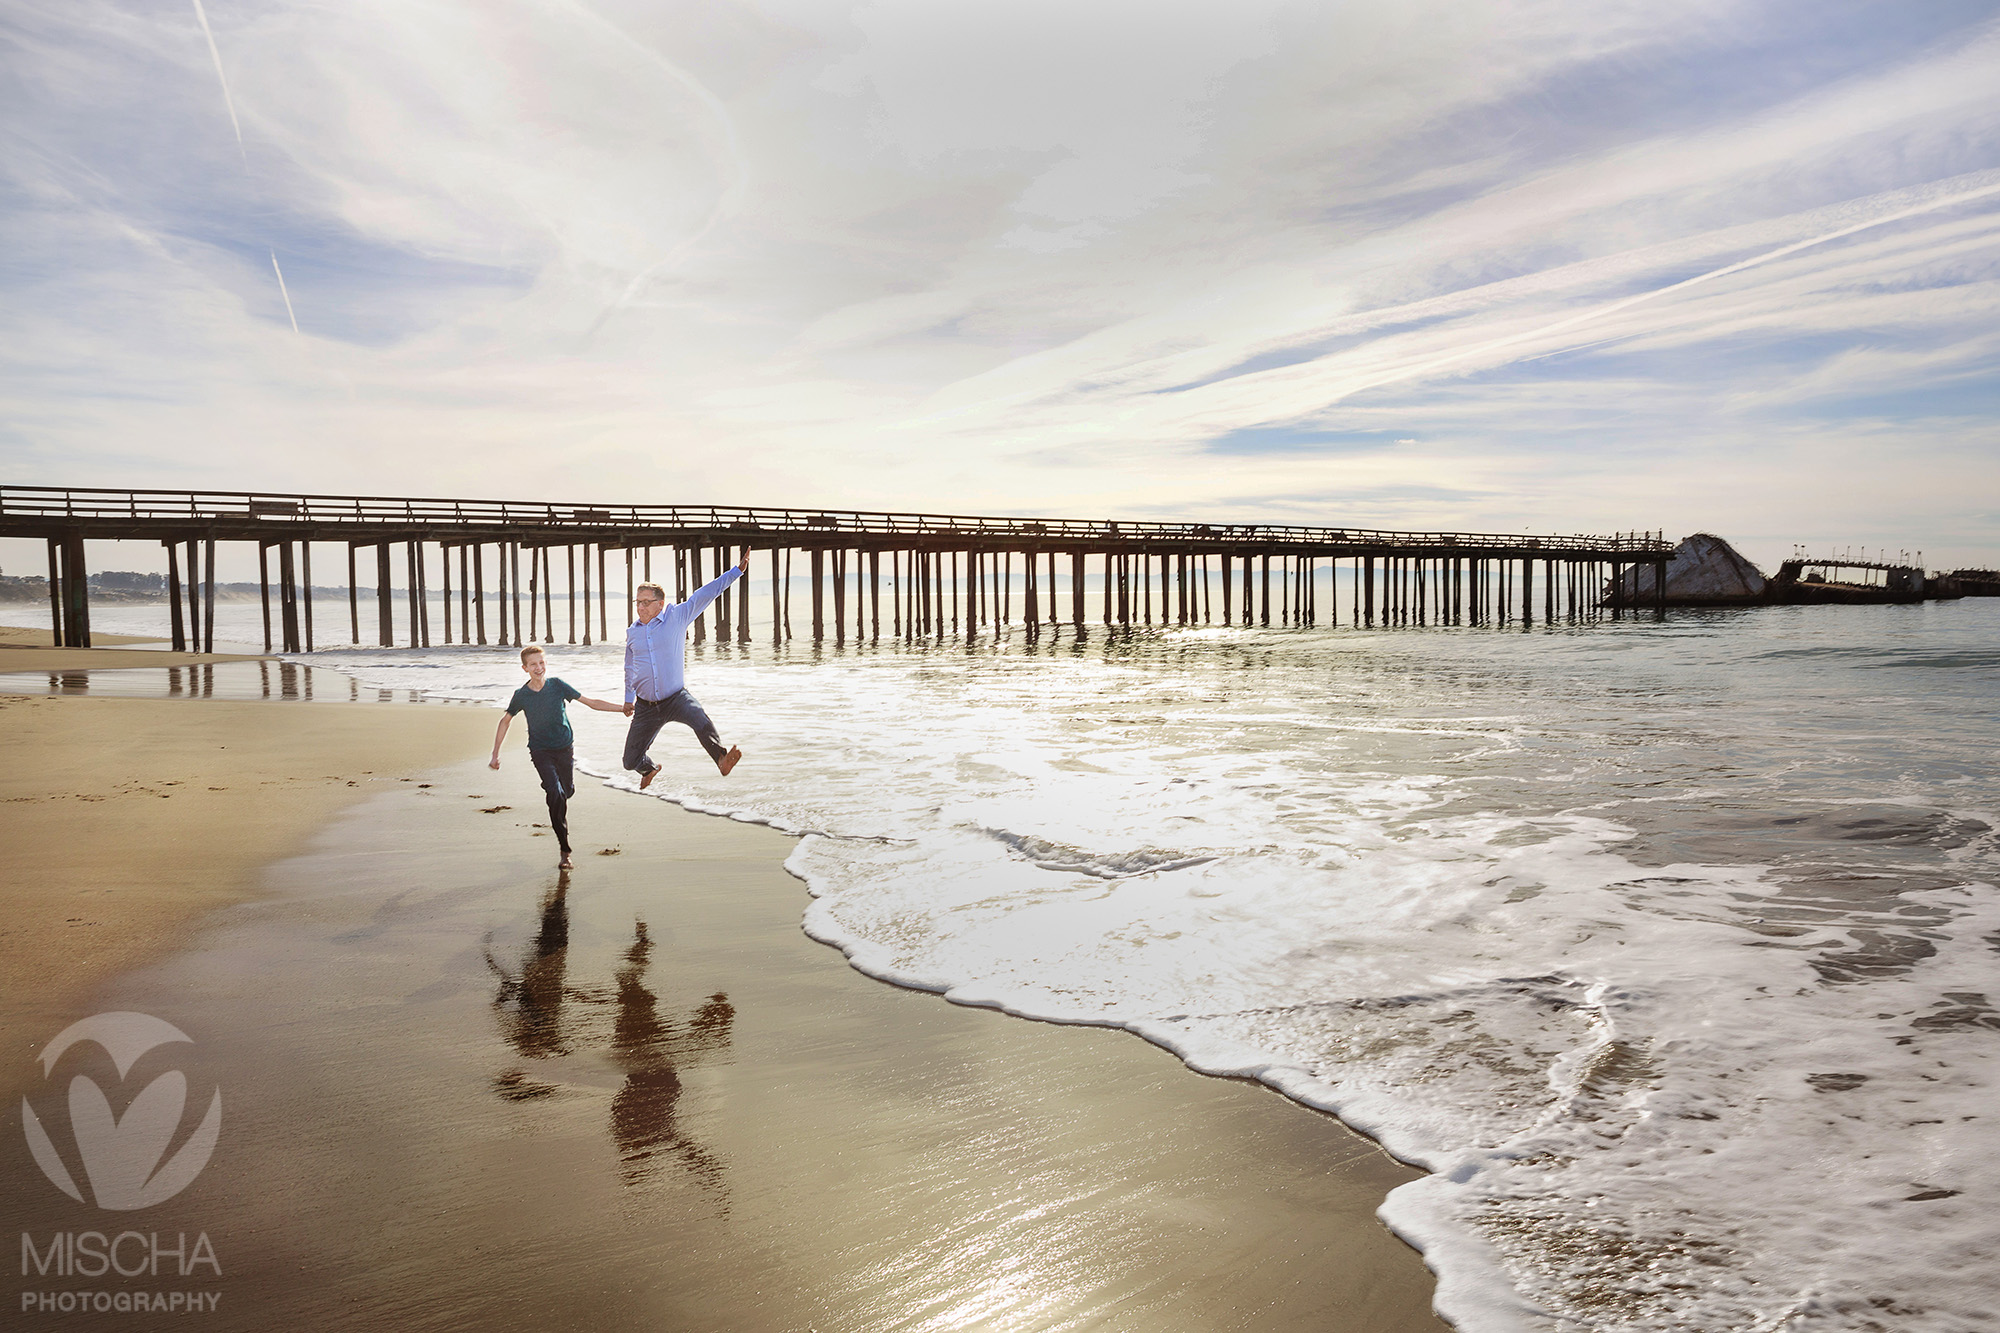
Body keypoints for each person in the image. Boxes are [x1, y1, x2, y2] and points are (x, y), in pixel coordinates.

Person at [491, 645, 626, 869]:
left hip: (564, 748)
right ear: (525, 668)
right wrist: (495, 754)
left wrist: (622, 708)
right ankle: (565, 851)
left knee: (566, 791)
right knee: (555, 794)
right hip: (540, 751)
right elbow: (505, 721)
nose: (539, 667)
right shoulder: (521, 695)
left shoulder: (557, 685)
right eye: (533, 664)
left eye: (541, 663)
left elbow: (591, 703)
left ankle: (555, 793)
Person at [624, 551, 748, 789]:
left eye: (646, 602)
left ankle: (721, 758)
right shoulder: (633, 632)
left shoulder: (677, 616)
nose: (640, 607)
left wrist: (736, 572)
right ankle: (648, 768)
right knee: (629, 761)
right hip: (645, 707)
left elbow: (705, 594)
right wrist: (628, 698)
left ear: (660, 603)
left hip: (676, 698)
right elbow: (629, 667)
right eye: (637, 602)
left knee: (700, 719)